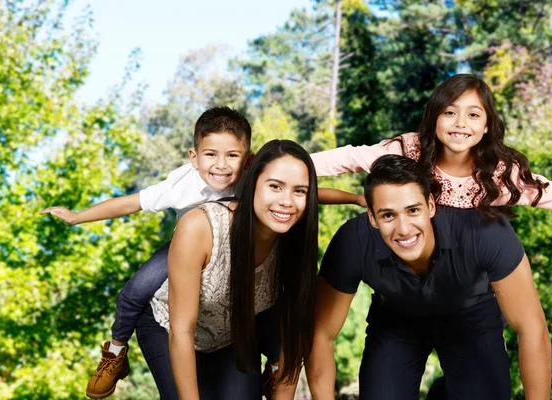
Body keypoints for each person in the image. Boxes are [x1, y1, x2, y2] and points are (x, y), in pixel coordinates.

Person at [40, 107, 360, 399]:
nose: (221, 166)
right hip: (186, 275)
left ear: (247, 162)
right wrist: (78, 216)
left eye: (232, 156)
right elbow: (132, 202)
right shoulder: (185, 191)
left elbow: (315, 192)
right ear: (194, 157)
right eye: (211, 155)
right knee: (138, 286)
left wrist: (357, 199)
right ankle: (115, 350)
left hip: (233, 326)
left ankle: (268, 372)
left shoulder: (284, 224)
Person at [306, 155, 552, 399]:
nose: (404, 229)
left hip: (472, 317)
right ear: (372, 217)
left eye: (413, 210)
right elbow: (321, 334)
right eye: (388, 215)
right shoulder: (353, 241)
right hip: (397, 321)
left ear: (431, 205)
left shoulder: (485, 231)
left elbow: (532, 328)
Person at [137, 140, 319, 399]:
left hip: (234, 332)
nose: (287, 201)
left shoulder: (295, 240)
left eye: (299, 191)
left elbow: (292, 341)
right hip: (171, 329)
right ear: (252, 182)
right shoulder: (201, 227)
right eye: (275, 186)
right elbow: (182, 330)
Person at [311, 74, 552, 218]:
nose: (460, 124)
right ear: (435, 118)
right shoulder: (409, 150)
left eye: (474, 115)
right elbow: (350, 158)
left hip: (473, 279)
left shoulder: (501, 173)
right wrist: (292, 165)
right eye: (449, 112)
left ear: (487, 125)